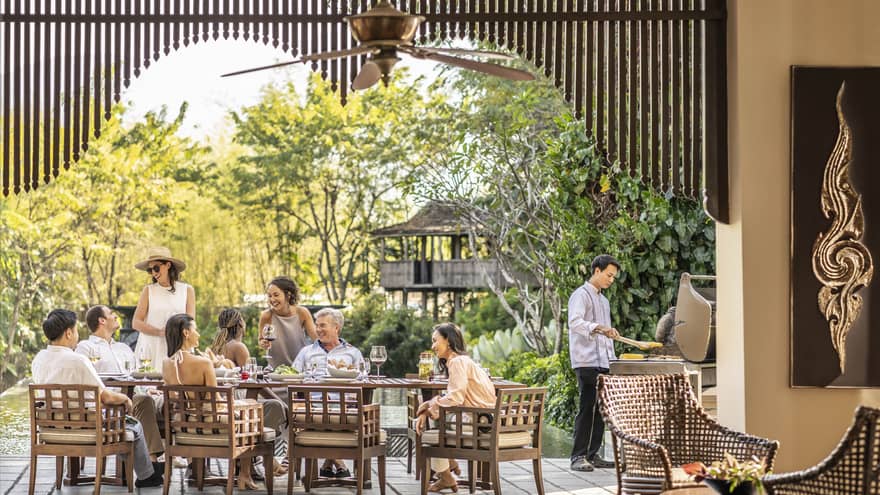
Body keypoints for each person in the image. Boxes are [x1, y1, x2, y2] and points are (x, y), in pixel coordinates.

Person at [32, 309, 164, 488]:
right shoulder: (78, 361)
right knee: (134, 425)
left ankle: (149, 469)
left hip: (51, 428)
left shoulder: (38, 360)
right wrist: (126, 400)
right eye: (76, 330)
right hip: (89, 428)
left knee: (124, 424)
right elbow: (106, 397)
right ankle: (148, 475)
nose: (78, 335)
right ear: (68, 333)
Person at [414, 323, 495, 493]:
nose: (432, 346)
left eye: (435, 341)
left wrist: (427, 407)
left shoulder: (457, 362)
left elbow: (456, 397)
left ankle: (446, 476)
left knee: (429, 436)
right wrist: (429, 408)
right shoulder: (465, 360)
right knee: (436, 422)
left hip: (476, 424)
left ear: (448, 342)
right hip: (485, 421)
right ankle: (448, 466)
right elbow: (456, 398)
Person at [77, 305, 164, 462]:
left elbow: (136, 373)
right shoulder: (86, 348)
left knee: (154, 400)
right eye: (111, 314)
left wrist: (147, 388)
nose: (115, 316)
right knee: (144, 402)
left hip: (132, 397)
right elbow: (83, 378)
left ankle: (160, 460)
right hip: (108, 403)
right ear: (102, 320)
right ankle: (151, 464)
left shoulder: (123, 348)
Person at [291, 308, 363, 479]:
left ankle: (328, 463)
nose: (318, 329)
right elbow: (293, 376)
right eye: (317, 325)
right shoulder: (306, 352)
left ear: (336, 328)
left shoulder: (353, 352)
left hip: (344, 407)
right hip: (312, 407)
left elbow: (363, 378)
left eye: (323, 325)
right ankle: (338, 461)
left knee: (340, 411)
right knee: (320, 411)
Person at [568, 254, 621, 472]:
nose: (611, 280)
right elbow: (575, 322)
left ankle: (593, 454)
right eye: (609, 275)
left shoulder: (604, 300)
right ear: (597, 271)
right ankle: (578, 456)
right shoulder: (580, 295)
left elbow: (604, 333)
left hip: (604, 361)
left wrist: (612, 358)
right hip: (586, 360)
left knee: (601, 409)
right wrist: (598, 328)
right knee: (587, 407)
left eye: (614, 277)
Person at [132, 246, 196, 369]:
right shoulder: (148, 291)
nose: (154, 273)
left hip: (177, 346)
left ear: (168, 265)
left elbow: (191, 323)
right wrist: (160, 332)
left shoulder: (187, 290)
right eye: (150, 270)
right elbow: (136, 322)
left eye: (156, 268)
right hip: (152, 347)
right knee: (151, 385)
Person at [258, 276, 316, 369]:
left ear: (288, 295)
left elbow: (316, 338)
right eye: (269, 296)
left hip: (300, 369)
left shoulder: (302, 313)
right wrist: (263, 343)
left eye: (276, 295)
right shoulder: (267, 315)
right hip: (275, 370)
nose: (272, 299)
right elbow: (261, 340)